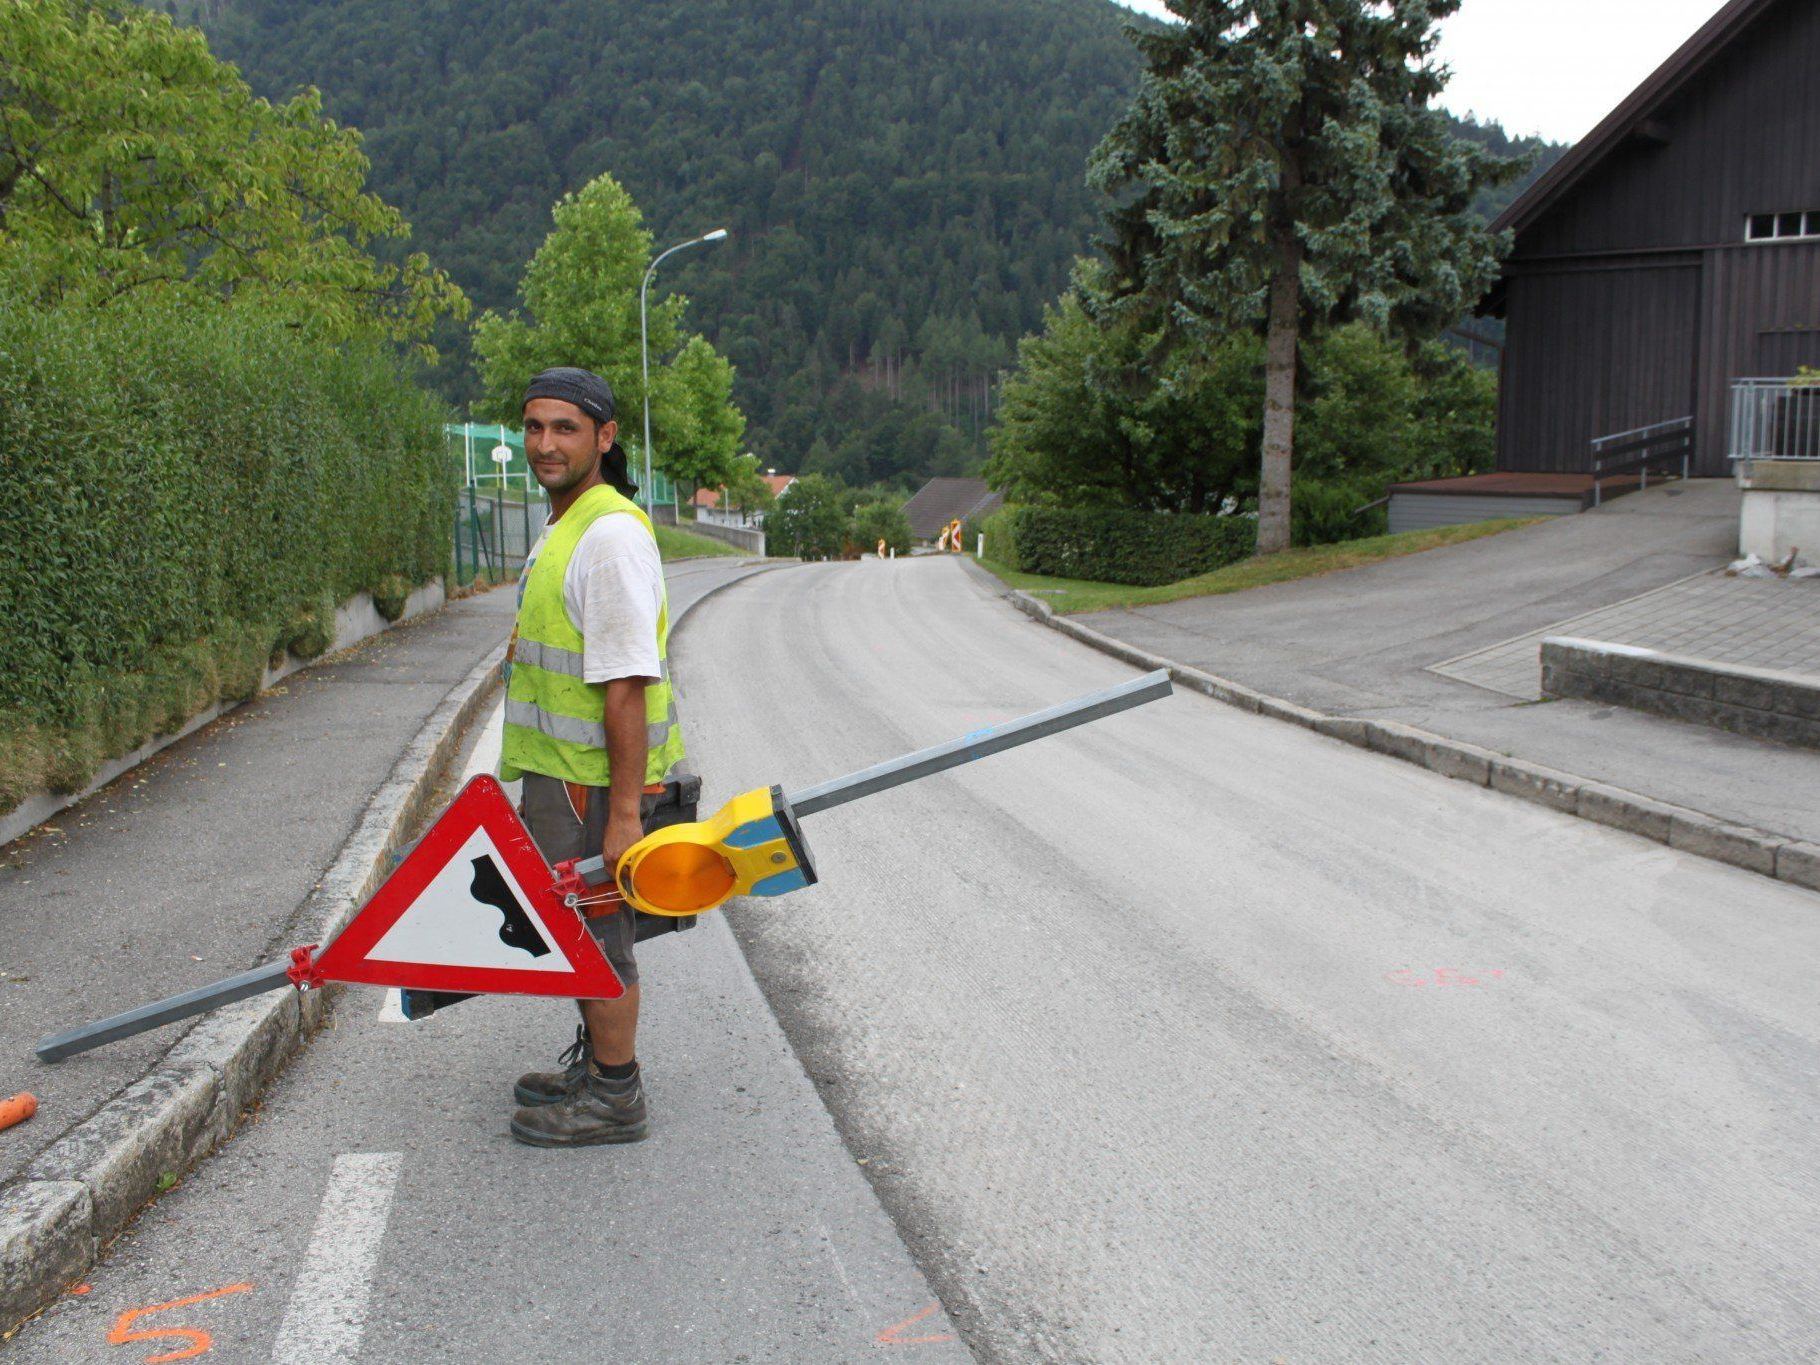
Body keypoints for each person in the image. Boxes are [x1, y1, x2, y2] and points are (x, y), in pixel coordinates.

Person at [497, 366, 686, 1148]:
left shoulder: (607, 537)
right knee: (577, 930)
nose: (545, 443)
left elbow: (625, 689)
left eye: (565, 428)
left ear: (604, 439)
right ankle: (599, 1067)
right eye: (535, 426)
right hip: (564, 778)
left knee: (599, 933)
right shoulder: (568, 523)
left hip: (594, 789)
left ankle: (616, 1093)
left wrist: (624, 816)